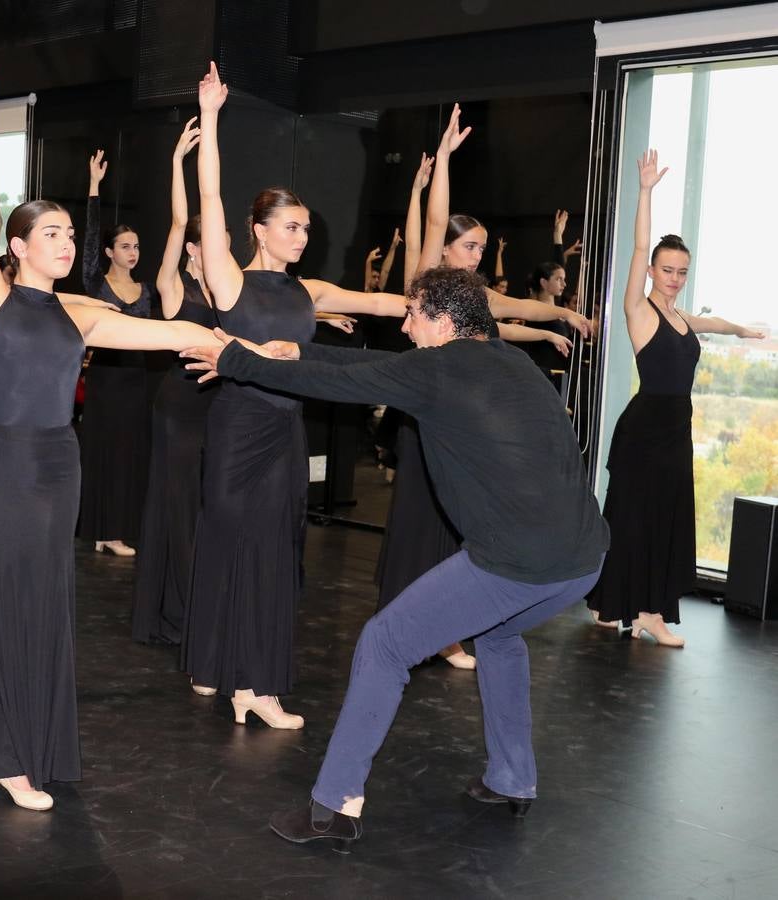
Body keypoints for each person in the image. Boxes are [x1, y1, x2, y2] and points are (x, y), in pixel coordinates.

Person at [181, 265, 610, 849]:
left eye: (412, 315)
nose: (405, 326)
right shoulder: (511, 362)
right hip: (584, 560)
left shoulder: (439, 371)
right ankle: (513, 778)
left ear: (442, 320)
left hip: (519, 561)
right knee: (500, 638)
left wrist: (236, 361)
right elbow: (372, 368)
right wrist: (295, 353)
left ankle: (335, 806)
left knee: (384, 644)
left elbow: (352, 384)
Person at [0, 35, 220, 813]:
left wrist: (243, 346)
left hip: (57, 467)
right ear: (16, 245)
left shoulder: (81, 312)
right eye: (47, 233)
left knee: (40, 605)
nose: (63, 242)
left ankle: (11, 745)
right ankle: (4, 754)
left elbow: (171, 334)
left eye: (66, 234)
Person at [180, 63, 400, 726]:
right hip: (236, 432)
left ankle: (256, 686)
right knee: (229, 543)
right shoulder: (228, 281)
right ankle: (216, 662)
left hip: (284, 435)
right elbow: (212, 200)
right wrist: (212, 118)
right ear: (261, 229)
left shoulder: (312, 293)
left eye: (306, 228)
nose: (302, 237)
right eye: (292, 227)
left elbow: (384, 301)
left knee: (275, 554)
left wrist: (449, 313)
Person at [374, 108, 592, 669]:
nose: (476, 255)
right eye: (469, 246)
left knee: (454, 519)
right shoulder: (426, 278)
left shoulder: (471, 298)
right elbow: (437, 218)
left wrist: (553, 322)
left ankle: (444, 627)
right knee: (421, 516)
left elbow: (508, 314)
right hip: (427, 411)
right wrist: (444, 160)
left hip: (458, 419)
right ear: (446, 248)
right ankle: (414, 623)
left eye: (480, 247)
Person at [586, 151, 764, 644]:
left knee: (654, 517)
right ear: (652, 271)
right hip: (645, 430)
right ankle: (644, 612)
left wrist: (746, 331)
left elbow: (715, 323)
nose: (674, 278)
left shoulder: (682, 318)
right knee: (638, 518)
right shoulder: (639, 311)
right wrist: (645, 192)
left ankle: (613, 605)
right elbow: (640, 245)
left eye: (682, 271)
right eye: (667, 270)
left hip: (674, 430)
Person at [131, 117, 216, 645]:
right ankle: (178, 612)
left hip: (217, 409)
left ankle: (202, 603)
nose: (220, 251)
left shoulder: (228, 292)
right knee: (180, 508)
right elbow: (179, 222)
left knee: (206, 509)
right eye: (212, 244)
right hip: (179, 408)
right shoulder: (171, 288)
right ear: (192, 251)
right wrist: (177, 163)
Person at [76, 149, 154, 557]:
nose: (132, 252)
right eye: (124, 246)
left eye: (136, 246)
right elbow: (89, 240)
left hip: (136, 380)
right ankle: (103, 530)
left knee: (131, 453)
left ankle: (121, 527)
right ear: (110, 252)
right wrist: (93, 188)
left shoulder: (147, 291)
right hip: (106, 379)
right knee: (105, 452)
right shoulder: (96, 283)